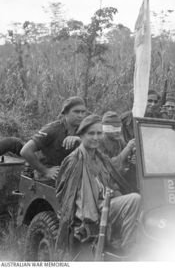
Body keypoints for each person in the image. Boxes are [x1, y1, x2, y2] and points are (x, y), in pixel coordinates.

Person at [55, 114, 141, 259]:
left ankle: (126, 247)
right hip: (87, 212)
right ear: (81, 135)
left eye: (99, 133)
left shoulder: (100, 158)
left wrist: (116, 193)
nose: (96, 137)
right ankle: (128, 252)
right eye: (91, 133)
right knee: (134, 199)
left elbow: (111, 180)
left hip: (104, 203)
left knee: (136, 202)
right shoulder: (74, 160)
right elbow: (66, 194)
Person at [20, 96, 86, 180]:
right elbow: (25, 151)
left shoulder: (84, 130)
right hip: (49, 175)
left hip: (70, 174)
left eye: (83, 112)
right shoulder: (52, 129)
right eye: (76, 112)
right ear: (65, 113)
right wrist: (45, 171)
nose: (80, 115)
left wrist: (80, 141)